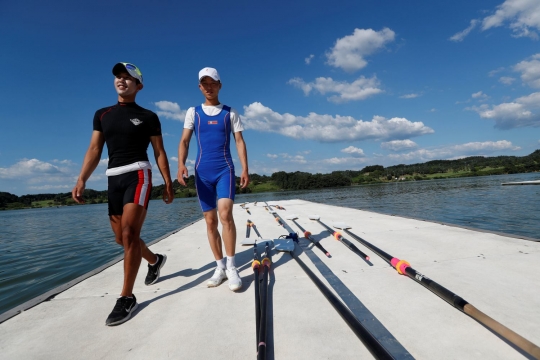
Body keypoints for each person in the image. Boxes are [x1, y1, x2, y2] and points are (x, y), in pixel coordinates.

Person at [72, 62, 174, 326]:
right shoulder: (102, 114)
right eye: (118, 76)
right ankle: (155, 260)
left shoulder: (149, 116)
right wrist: (82, 178)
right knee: (121, 238)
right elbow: (95, 149)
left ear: (138, 85)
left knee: (130, 234)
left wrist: (167, 181)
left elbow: (159, 152)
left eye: (128, 78)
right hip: (113, 178)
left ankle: (127, 297)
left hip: (139, 174)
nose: (122, 80)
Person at [177, 67, 249, 291]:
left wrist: (245, 169)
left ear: (220, 85)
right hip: (202, 172)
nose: (209, 87)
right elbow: (185, 141)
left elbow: (239, 141)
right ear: (200, 87)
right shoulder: (193, 112)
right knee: (210, 221)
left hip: (224, 169)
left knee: (226, 214)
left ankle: (232, 266)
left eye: (213, 83)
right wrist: (181, 164)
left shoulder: (230, 113)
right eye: (204, 83)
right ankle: (219, 267)